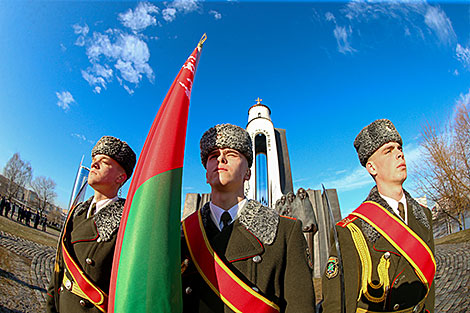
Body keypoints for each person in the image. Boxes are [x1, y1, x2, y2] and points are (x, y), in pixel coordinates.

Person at [181, 124, 315, 313]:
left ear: (248, 173)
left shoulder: (284, 232)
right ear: (206, 175)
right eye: (213, 156)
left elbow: (299, 307)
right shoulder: (184, 235)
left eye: (232, 154)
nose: (221, 159)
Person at [322, 119, 435, 313]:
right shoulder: (351, 230)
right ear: (372, 168)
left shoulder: (424, 215)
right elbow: (338, 305)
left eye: (399, 148)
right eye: (388, 150)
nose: (399, 153)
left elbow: (428, 289)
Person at [46, 136, 136, 313]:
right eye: (94, 160)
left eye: (104, 162)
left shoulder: (129, 220)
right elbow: (59, 270)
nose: (94, 165)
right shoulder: (76, 212)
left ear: (121, 177)